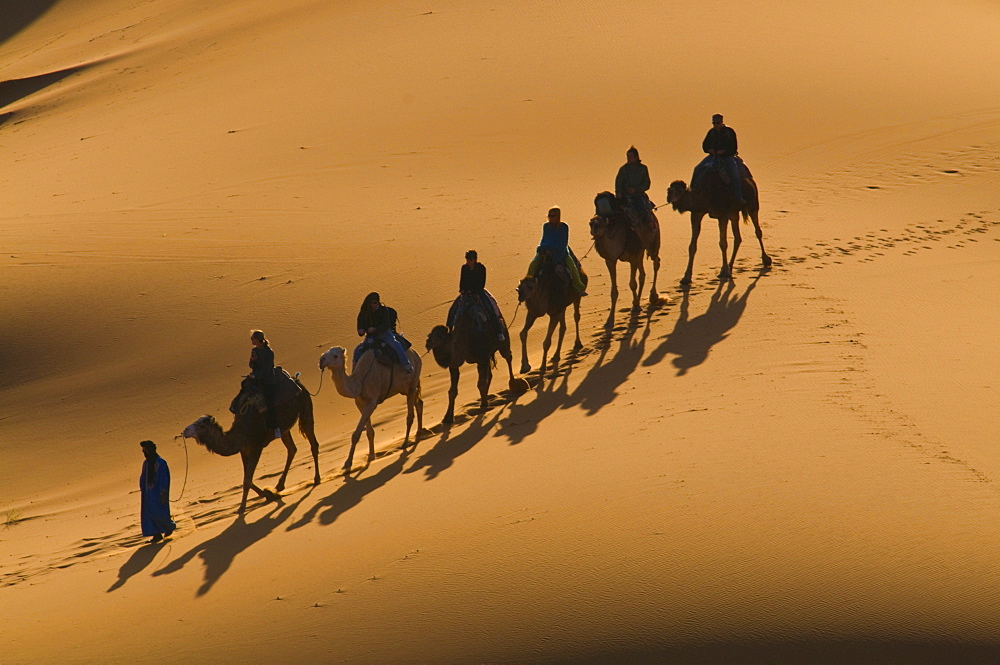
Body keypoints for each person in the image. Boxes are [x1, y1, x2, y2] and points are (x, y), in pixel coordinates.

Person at [524, 207, 586, 296]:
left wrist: (553, 250)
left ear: (558, 216)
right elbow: (545, 240)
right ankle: (527, 285)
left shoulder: (564, 227)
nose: (551, 218)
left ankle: (579, 288)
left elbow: (562, 243)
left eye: (553, 216)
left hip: (561, 252)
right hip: (545, 251)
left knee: (573, 268)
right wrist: (542, 249)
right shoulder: (546, 226)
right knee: (533, 264)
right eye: (549, 216)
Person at [447, 250, 506, 342]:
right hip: (466, 293)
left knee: (489, 308)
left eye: (470, 259)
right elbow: (462, 282)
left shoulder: (481, 268)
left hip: (479, 293)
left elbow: (481, 284)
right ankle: (449, 330)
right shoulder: (464, 268)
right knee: (453, 309)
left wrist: (473, 292)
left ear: (474, 259)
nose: (468, 261)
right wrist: (463, 289)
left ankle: (499, 332)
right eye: (467, 259)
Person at [355, 292, 414, 372]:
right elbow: (360, 322)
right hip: (371, 336)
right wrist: (360, 329)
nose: (372, 305)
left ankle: (407, 364)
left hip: (385, 334)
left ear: (378, 302)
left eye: (374, 303)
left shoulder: (383, 310)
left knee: (396, 345)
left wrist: (375, 329)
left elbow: (386, 325)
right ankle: (355, 373)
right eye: (370, 303)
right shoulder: (364, 312)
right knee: (358, 350)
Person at [693, 113, 744, 203]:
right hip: (713, 156)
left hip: (727, 157)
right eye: (714, 123)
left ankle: (738, 197)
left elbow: (733, 147)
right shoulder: (711, 132)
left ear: (721, 122)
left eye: (717, 123)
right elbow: (705, 145)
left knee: (734, 174)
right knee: (697, 169)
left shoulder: (729, 132)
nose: (715, 125)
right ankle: (693, 193)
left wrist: (724, 151)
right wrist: (710, 150)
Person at [139, 440, 175, 544]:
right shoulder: (146, 463)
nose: (143, 452)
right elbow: (143, 478)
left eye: (145, 450)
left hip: (158, 493)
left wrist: (163, 492)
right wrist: (143, 490)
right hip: (148, 493)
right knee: (148, 514)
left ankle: (169, 527)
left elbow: (164, 478)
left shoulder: (161, 463)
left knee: (159, 512)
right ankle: (156, 534)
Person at [249, 330, 281, 439]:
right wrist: (253, 361)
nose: (251, 341)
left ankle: (276, 427)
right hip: (256, 378)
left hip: (268, 380)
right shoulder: (254, 350)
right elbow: (251, 365)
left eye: (252, 338)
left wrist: (256, 376)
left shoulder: (269, 352)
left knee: (270, 403)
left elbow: (267, 369)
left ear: (257, 339)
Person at [615, 146, 653, 226]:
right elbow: (618, 181)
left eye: (631, 157)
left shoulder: (643, 168)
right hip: (625, 196)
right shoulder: (623, 169)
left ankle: (650, 226)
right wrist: (618, 192)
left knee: (643, 211)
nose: (628, 158)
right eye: (627, 156)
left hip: (638, 196)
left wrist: (636, 189)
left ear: (636, 157)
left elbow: (646, 184)